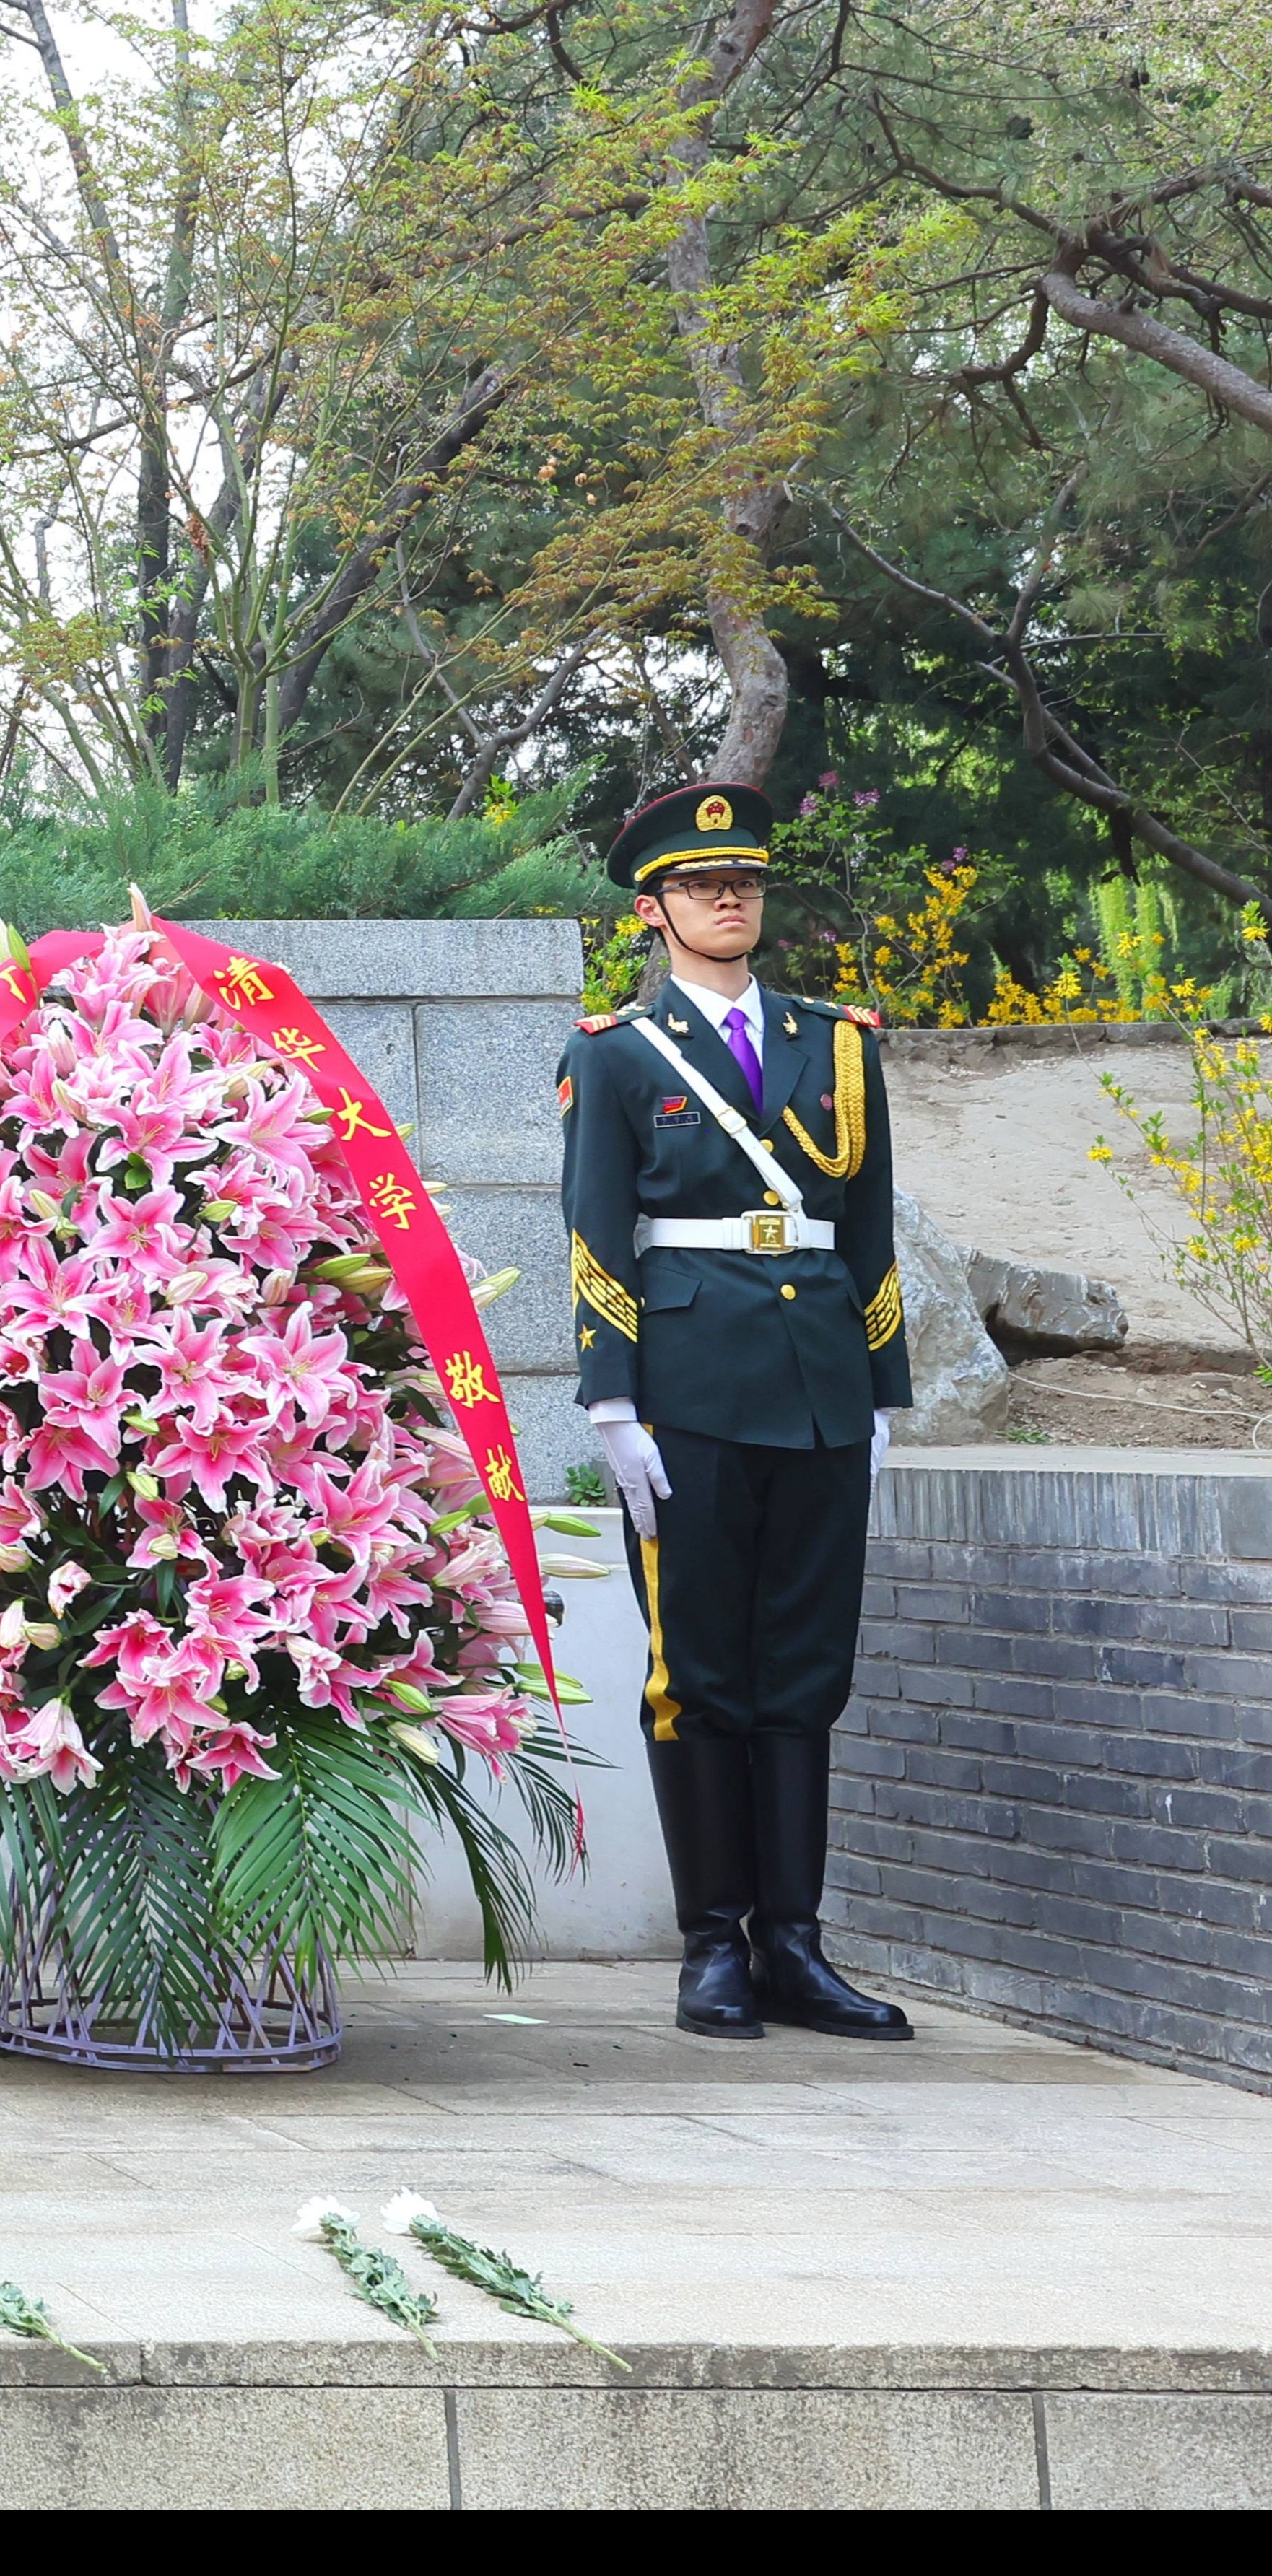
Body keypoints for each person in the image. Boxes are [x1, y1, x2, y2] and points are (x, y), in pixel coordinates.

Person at [563, 780, 915, 2044]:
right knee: (697, 1673)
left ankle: (797, 1949)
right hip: (689, 1389)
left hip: (820, 1382)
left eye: (747, 882)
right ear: (653, 908)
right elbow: (598, 1230)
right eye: (705, 885)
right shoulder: (615, 1056)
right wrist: (612, 1399)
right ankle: (714, 1945)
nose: (730, 898)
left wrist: (884, 1390)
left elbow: (866, 1235)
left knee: (806, 1673)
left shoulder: (839, 1044)